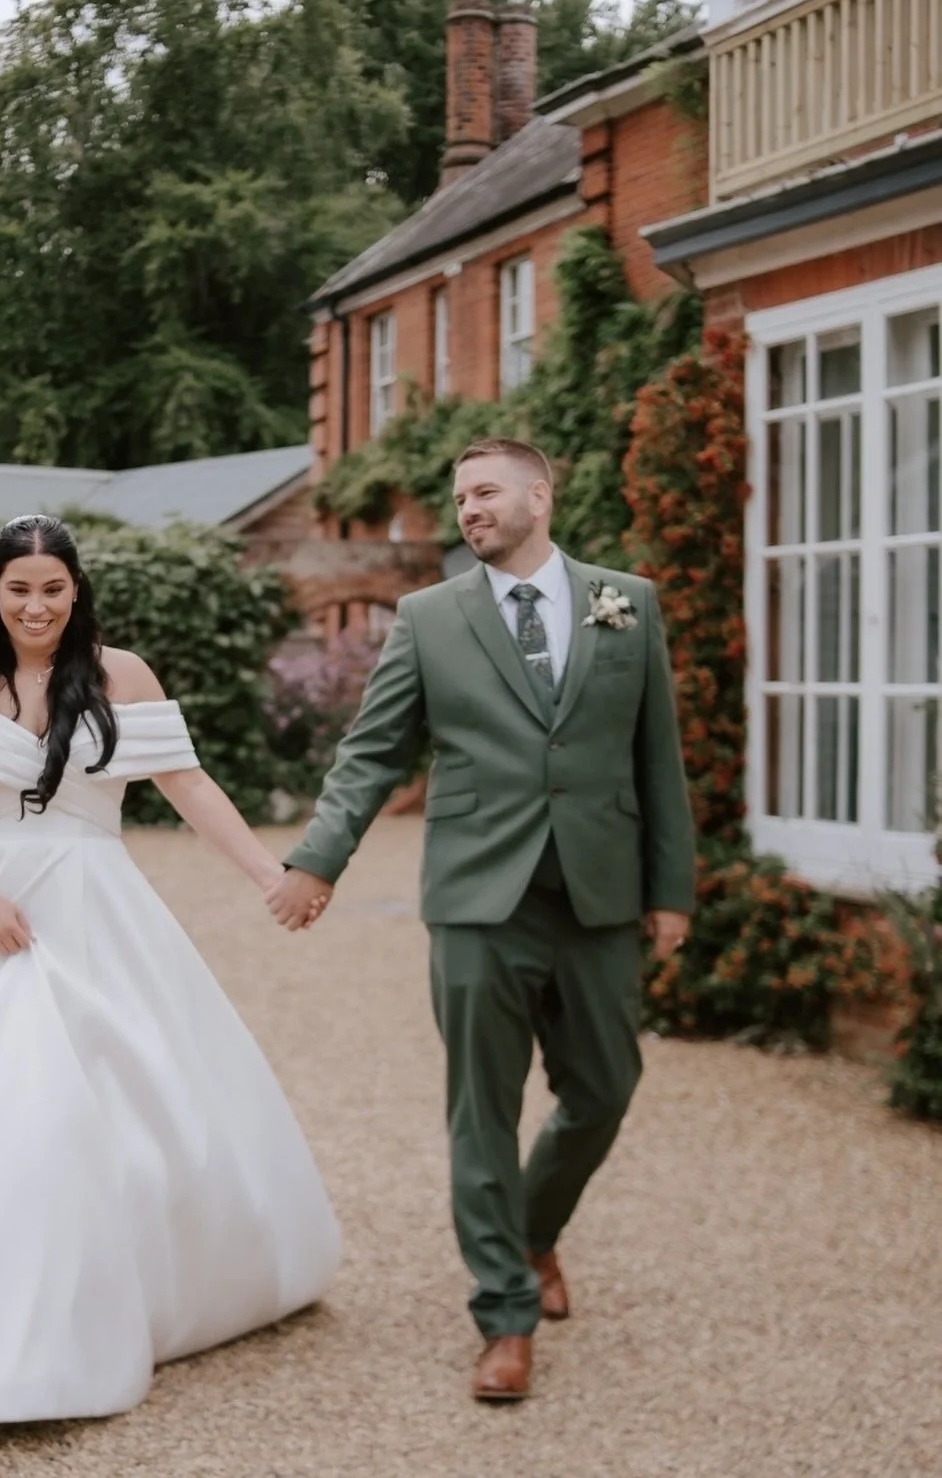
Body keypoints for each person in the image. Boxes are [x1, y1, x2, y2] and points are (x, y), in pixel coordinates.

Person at [0, 515, 340, 1431]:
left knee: (116, 1094)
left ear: (75, 591)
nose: (35, 605)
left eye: (52, 588)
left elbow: (187, 784)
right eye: (18, 589)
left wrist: (270, 873)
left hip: (97, 906)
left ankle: (105, 1301)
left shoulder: (124, 676)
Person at [267, 437, 694, 1403]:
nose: (468, 508)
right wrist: (316, 860)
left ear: (540, 494)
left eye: (486, 491)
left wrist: (671, 890)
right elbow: (371, 754)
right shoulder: (428, 618)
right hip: (475, 897)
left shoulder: (627, 602)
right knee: (481, 1111)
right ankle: (503, 1313)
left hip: (598, 890)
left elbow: (654, 756)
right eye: (459, 496)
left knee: (605, 1085)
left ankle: (534, 1230)